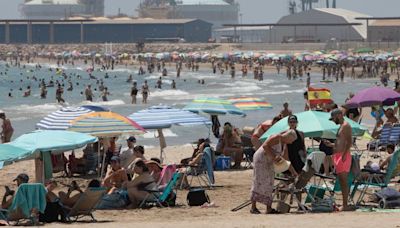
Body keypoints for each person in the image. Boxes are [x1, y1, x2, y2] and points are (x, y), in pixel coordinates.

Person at [250, 130, 297, 214]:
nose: (291, 142)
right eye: (291, 140)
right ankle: (253, 207)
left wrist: (293, 172)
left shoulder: (284, 144)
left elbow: (286, 159)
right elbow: (265, 145)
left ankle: (269, 208)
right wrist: (274, 157)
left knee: (269, 183)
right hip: (261, 159)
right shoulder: (277, 137)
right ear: (288, 137)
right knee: (259, 181)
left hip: (269, 161)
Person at [329, 108, 353, 211]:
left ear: (338, 115)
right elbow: (340, 142)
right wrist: (330, 145)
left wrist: (344, 154)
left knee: (344, 181)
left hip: (343, 155)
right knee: (341, 180)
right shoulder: (340, 127)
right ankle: (345, 203)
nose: (333, 121)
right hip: (338, 155)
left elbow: (349, 141)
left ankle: (345, 205)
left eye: (333, 118)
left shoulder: (346, 126)